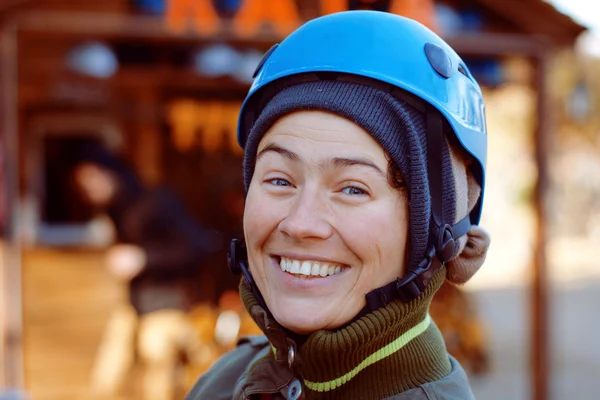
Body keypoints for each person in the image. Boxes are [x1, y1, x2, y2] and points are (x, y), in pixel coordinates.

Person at [187, 10, 491, 400]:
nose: (300, 224)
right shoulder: (220, 384)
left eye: (352, 189)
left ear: (435, 229)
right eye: (279, 180)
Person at [71, 144, 220, 400]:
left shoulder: (158, 200)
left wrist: (143, 258)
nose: (90, 190)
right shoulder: (115, 210)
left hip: (169, 303)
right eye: (84, 186)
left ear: (111, 171)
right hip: (134, 303)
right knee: (106, 378)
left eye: (93, 179)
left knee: (157, 369)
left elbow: (196, 245)